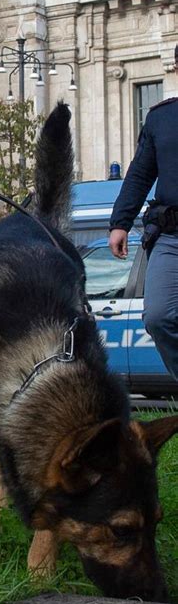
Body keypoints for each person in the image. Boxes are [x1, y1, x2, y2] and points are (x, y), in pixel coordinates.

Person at [109, 44, 178, 379]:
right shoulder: (160, 118)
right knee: (158, 316)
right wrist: (120, 223)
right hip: (171, 236)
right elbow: (139, 173)